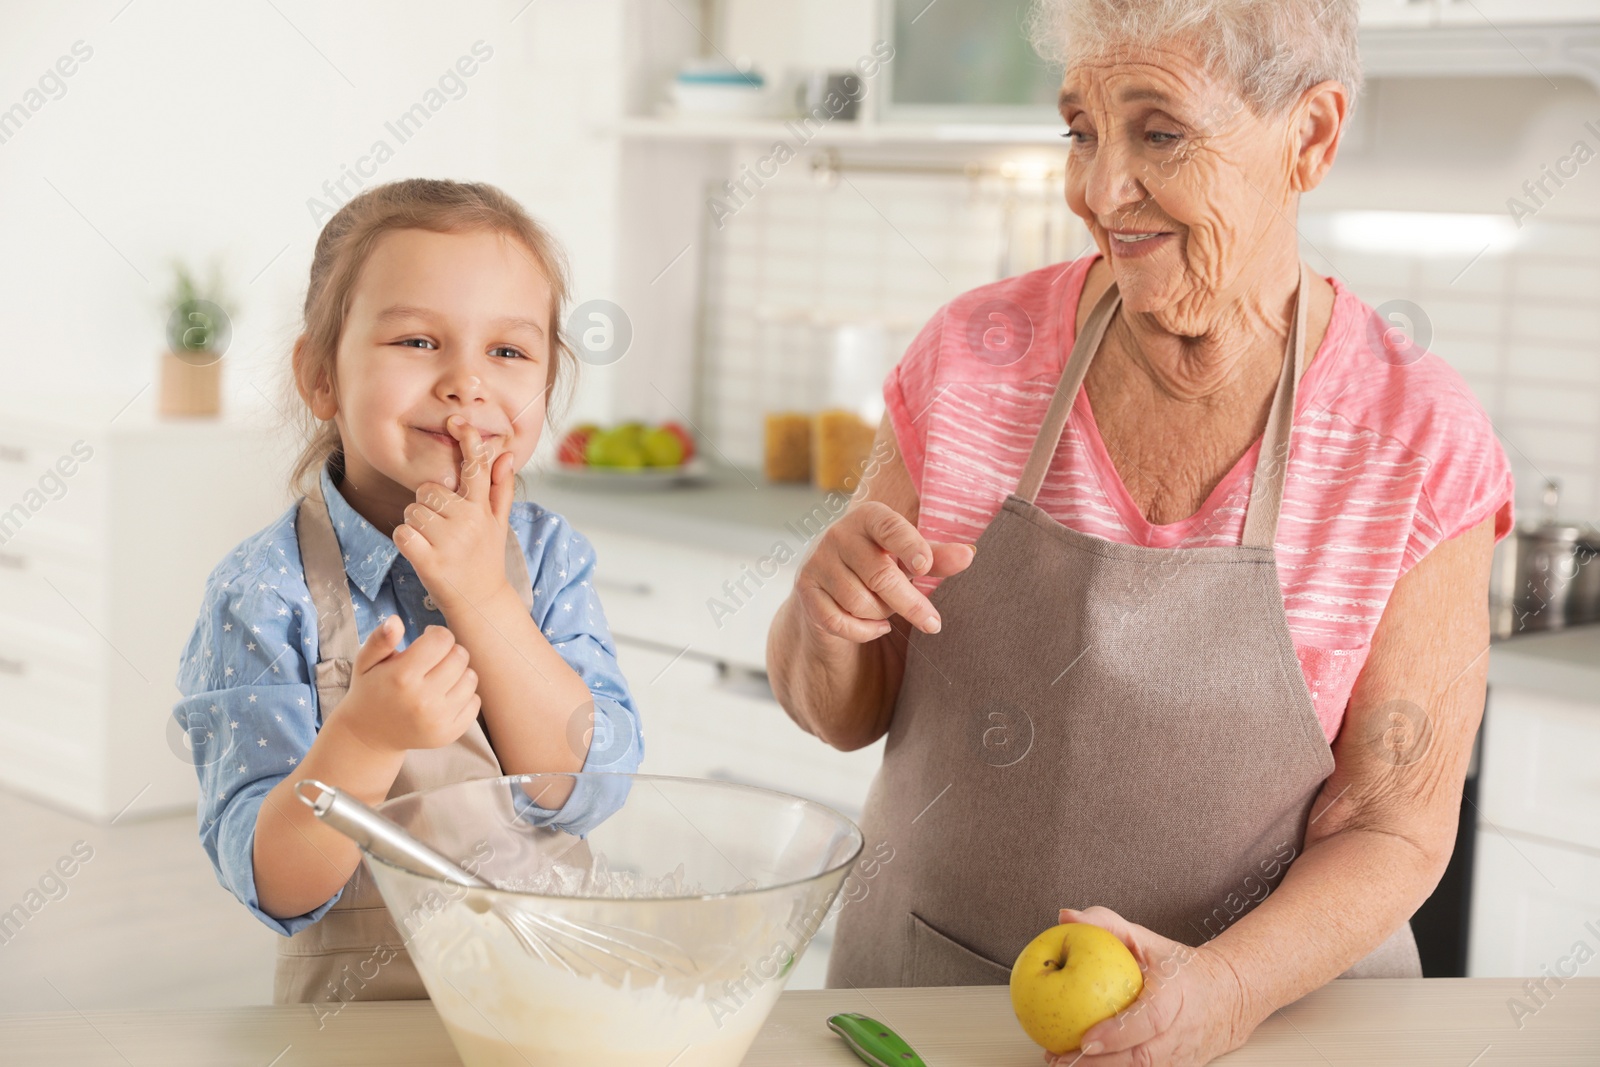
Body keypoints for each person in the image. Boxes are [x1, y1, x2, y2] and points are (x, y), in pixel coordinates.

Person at [764, 1, 1514, 1062]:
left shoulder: (1415, 439)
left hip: (1265, 1027)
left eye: (1157, 132)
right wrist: (821, 619)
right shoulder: (973, 358)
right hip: (935, 1008)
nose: (1098, 188)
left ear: (1309, 136)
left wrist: (1225, 988)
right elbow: (841, 709)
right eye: (1080, 129)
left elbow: (1392, 822)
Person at [172, 178, 641, 1007]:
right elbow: (273, 880)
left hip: (555, 1003)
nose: (467, 383)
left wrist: (486, 600)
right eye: (420, 342)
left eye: (508, 351)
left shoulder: (552, 559)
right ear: (321, 377)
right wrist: (362, 737)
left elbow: (585, 784)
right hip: (364, 1026)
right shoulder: (265, 590)